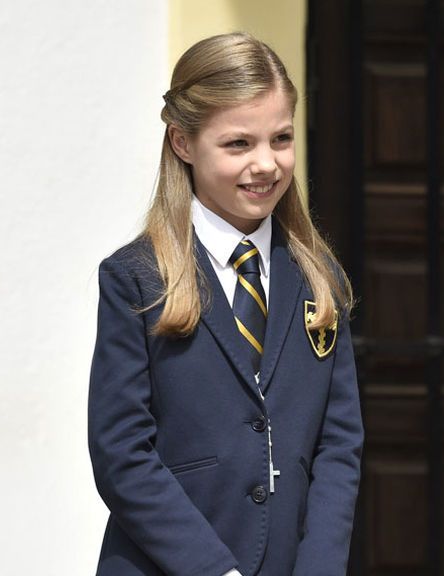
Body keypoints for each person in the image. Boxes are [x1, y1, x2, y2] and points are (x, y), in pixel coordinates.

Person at [88, 32, 363, 576]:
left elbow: (339, 445)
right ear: (183, 143)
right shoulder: (137, 278)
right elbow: (122, 453)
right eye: (238, 144)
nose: (266, 164)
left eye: (281, 139)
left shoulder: (318, 277)